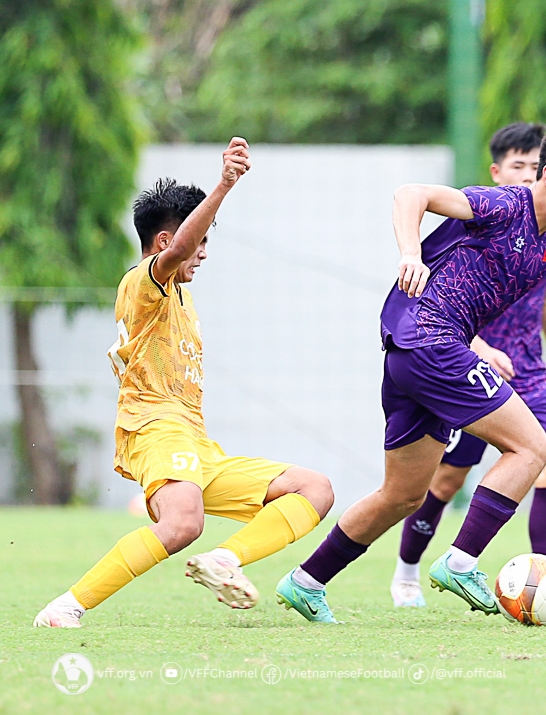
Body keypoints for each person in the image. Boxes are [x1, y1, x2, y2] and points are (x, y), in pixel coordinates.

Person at [275, 123, 546, 623]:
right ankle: (461, 561)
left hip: (411, 353)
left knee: (402, 495)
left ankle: (306, 580)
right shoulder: (504, 205)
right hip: (431, 339)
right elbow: (411, 193)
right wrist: (409, 253)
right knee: (534, 449)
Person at [34, 139, 334, 628]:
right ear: (164, 243)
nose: (204, 255)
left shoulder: (182, 298)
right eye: (202, 242)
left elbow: (180, 248)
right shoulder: (143, 282)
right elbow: (177, 250)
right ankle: (67, 607)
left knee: (313, 488)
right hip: (154, 425)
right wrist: (224, 185)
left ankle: (225, 560)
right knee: (182, 524)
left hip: (194, 439)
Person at [390, 122, 546, 610]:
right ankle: (408, 573)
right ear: (500, 172)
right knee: (445, 480)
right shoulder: (494, 212)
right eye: (519, 167)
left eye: (534, 166)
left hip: (527, 369)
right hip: (464, 361)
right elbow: (454, 296)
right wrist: (479, 347)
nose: (528, 177)